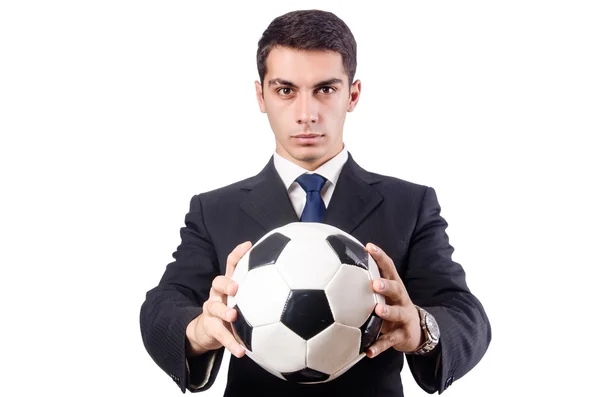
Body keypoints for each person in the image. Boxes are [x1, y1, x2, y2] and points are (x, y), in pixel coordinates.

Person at [140, 9, 491, 397]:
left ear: (352, 95)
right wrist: (197, 330)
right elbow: (161, 308)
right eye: (285, 90)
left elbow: (466, 315)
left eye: (325, 89)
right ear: (261, 95)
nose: (306, 114)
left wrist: (422, 329)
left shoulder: (409, 205)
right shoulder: (214, 210)